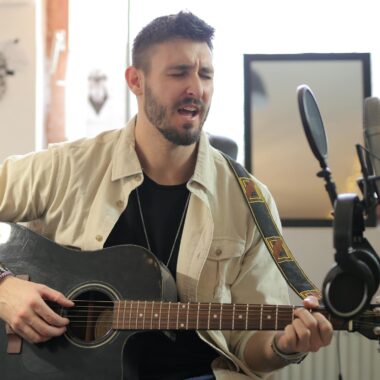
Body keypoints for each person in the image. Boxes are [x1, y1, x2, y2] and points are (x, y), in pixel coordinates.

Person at [0, 11, 333, 380]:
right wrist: (5, 287)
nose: (197, 88)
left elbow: (250, 348)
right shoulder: (67, 167)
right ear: (136, 80)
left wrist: (283, 347)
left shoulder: (250, 202)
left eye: (205, 74)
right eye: (179, 73)